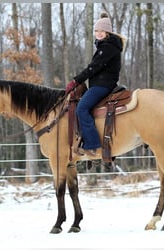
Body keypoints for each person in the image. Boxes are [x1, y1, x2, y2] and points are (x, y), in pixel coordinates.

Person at [65, 12, 125, 157]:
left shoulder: (108, 47)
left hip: (103, 85)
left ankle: (92, 144)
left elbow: (94, 67)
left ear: (108, 32)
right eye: (96, 31)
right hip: (101, 83)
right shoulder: (106, 45)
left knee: (82, 108)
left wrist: (76, 81)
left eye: (102, 31)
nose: (98, 33)